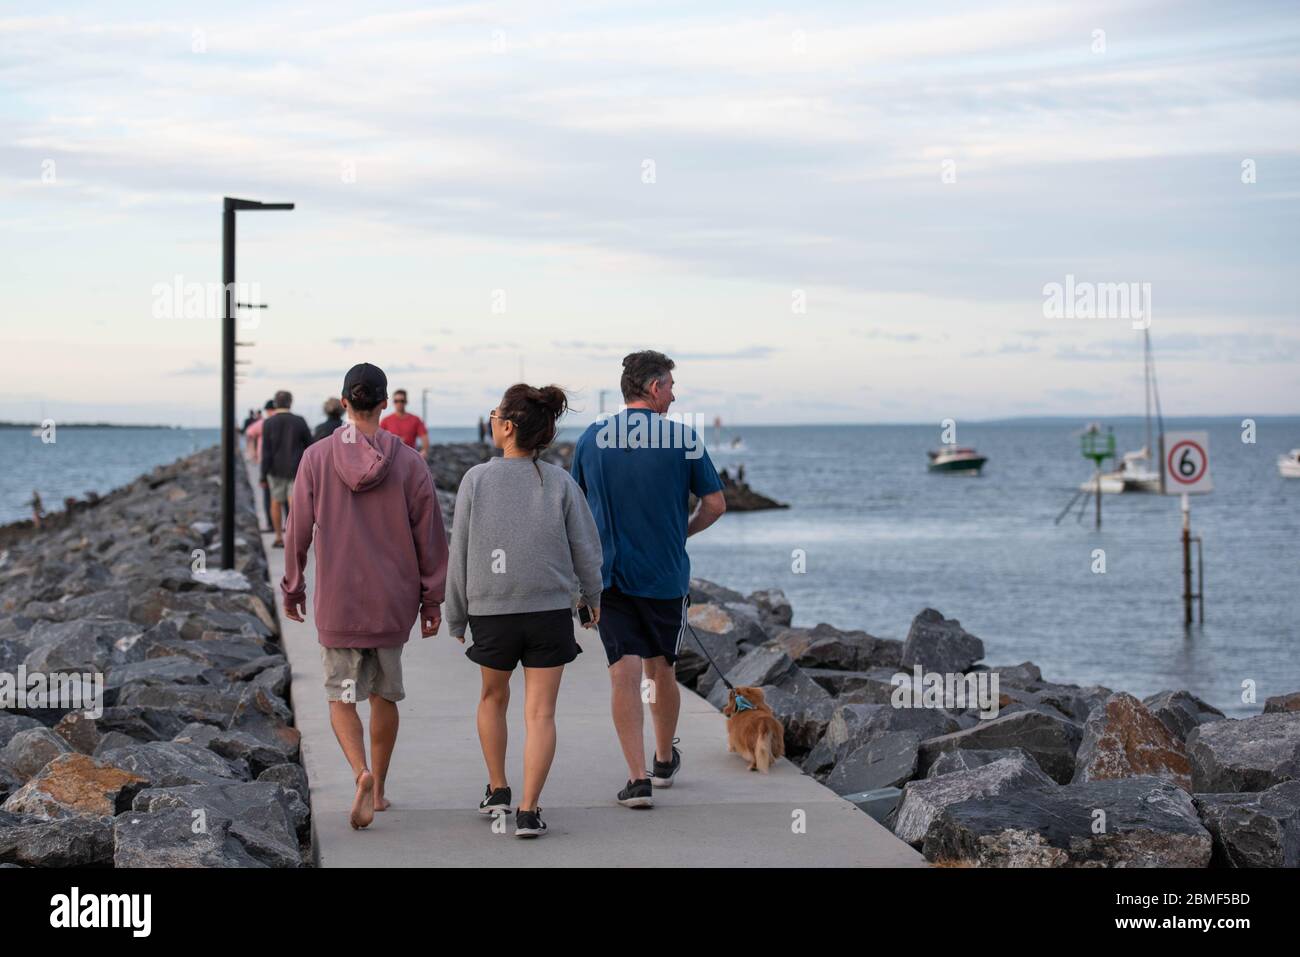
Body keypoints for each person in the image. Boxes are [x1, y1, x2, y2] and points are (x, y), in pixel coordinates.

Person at [281, 363, 449, 830]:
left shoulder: (315, 458)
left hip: (338, 601)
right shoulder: (411, 463)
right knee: (384, 696)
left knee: (342, 696)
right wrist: (431, 601)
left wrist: (293, 586)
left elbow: (296, 529)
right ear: (383, 402)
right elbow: (431, 538)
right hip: (391, 602)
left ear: (344, 401)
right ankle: (382, 788)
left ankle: (361, 772)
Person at [445, 384, 603, 838]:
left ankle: (498, 789)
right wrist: (591, 600)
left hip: (492, 612)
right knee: (541, 714)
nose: (491, 419)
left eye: (494, 413)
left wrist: (456, 614)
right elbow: (586, 551)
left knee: (492, 699)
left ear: (508, 427)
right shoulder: (559, 482)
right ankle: (530, 811)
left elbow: (461, 553)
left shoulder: (476, 479)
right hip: (549, 613)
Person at [570, 350, 726, 808]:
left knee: (623, 670)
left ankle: (636, 778)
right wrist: (682, 532)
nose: (674, 395)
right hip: (664, 575)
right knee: (661, 668)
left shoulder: (592, 439)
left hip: (609, 574)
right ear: (655, 388)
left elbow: (576, 507)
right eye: (671, 387)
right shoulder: (683, 439)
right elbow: (715, 504)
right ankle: (662, 761)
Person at [260, 391, 312, 548]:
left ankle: (278, 537)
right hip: (296, 468)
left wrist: (263, 474)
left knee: (275, 502)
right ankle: (293, 537)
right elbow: (310, 445)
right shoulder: (299, 421)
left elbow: (266, 451)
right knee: (293, 503)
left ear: (276, 403)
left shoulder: (268, 423)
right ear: (290, 402)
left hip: (275, 469)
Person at [379, 389, 429, 456]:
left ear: (406, 402)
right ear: (393, 402)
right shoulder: (386, 421)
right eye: (396, 401)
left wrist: (423, 452)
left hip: (410, 459)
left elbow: (424, 438)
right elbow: (379, 440)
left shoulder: (415, 420)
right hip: (391, 459)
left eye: (401, 401)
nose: (399, 403)